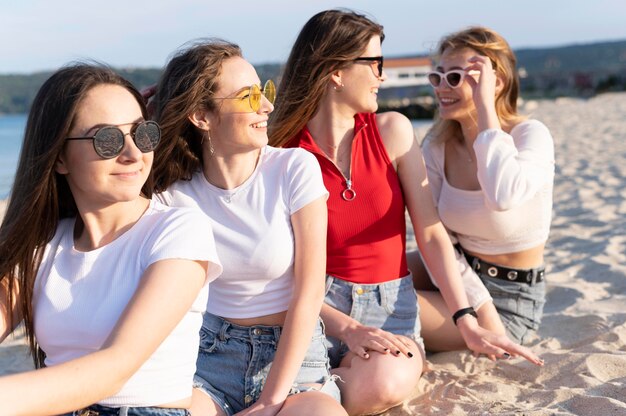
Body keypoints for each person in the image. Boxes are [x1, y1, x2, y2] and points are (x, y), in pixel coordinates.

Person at [269, 10, 544, 416]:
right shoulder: (283, 149)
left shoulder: (393, 131)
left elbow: (431, 235)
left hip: (390, 304)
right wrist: (344, 326)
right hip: (315, 306)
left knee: (381, 385)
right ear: (335, 72)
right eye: (375, 63)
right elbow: (281, 264)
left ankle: (316, 392)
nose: (382, 76)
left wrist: (465, 317)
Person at [0, 64, 222, 415]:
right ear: (59, 157)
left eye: (143, 133)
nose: (134, 154)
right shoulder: (43, 246)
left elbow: (115, 368)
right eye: (107, 139)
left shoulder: (178, 231)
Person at [149, 39, 347, 416]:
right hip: (208, 360)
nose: (267, 106)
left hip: (294, 359)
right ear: (201, 116)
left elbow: (308, 293)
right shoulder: (173, 195)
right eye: (248, 96)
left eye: (264, 91)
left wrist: (271, 402)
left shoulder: (293, 169)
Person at [408, 26, 555, 348]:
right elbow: (438, 237)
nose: (442, 88)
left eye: (455, 78)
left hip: (511, 299)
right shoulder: (438, 143)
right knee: (358, 283)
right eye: (438, 76)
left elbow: (502, 195)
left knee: (377, 305)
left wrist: (486, 109)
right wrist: (478, 306)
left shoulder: (530, 136)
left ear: (495, 82)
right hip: (458, 276)